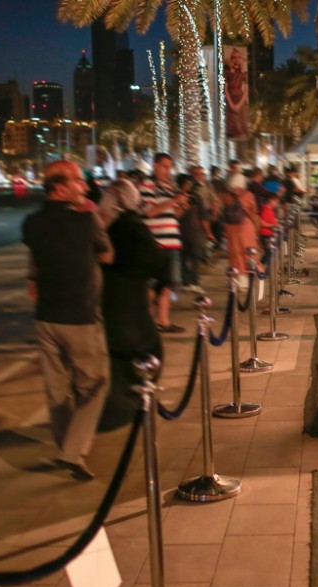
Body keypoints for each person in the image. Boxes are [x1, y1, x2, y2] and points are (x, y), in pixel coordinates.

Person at [22, 160, 113, 481]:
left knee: (57, 389)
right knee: (95, 385)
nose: (85, 187)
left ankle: (66, 447)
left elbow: (35, 261)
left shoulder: (31, 223)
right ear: (60, 188)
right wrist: (91, 218)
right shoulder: (86, 220)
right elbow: (106, 254)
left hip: (45, 316)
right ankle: (72, 452)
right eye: (77, 181)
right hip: (80, 316)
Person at [96, 178, 170, 430]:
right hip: (127, 298)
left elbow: (154, 259)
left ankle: (121, 407)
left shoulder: (115, 224)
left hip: (117, 296)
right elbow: (157, 260)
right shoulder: (128, 224)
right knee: (135, 350)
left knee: (122, 351)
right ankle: (125, 406)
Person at [138, 153, 187, 333]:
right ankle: (143, 319)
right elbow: (148, 212)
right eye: (164, 166)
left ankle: (163, 321)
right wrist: (174, 201)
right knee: (152, 285)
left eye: (169, 166)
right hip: (156, 242)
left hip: (172, 240)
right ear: (155, 165)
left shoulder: (169, 187)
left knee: (168, 284)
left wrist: (180, 206)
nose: (167, 170)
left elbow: (174, 216)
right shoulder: (147, 185)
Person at [221, 173, 262, 283]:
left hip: (230, 228)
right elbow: (254, 213)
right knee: (248, 251)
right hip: (245, 226)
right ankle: (250, 276)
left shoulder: (226, 196)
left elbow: (222, 212)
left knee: (235, 253)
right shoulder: (248, 195)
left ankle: (238, 277)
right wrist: (257, 229)